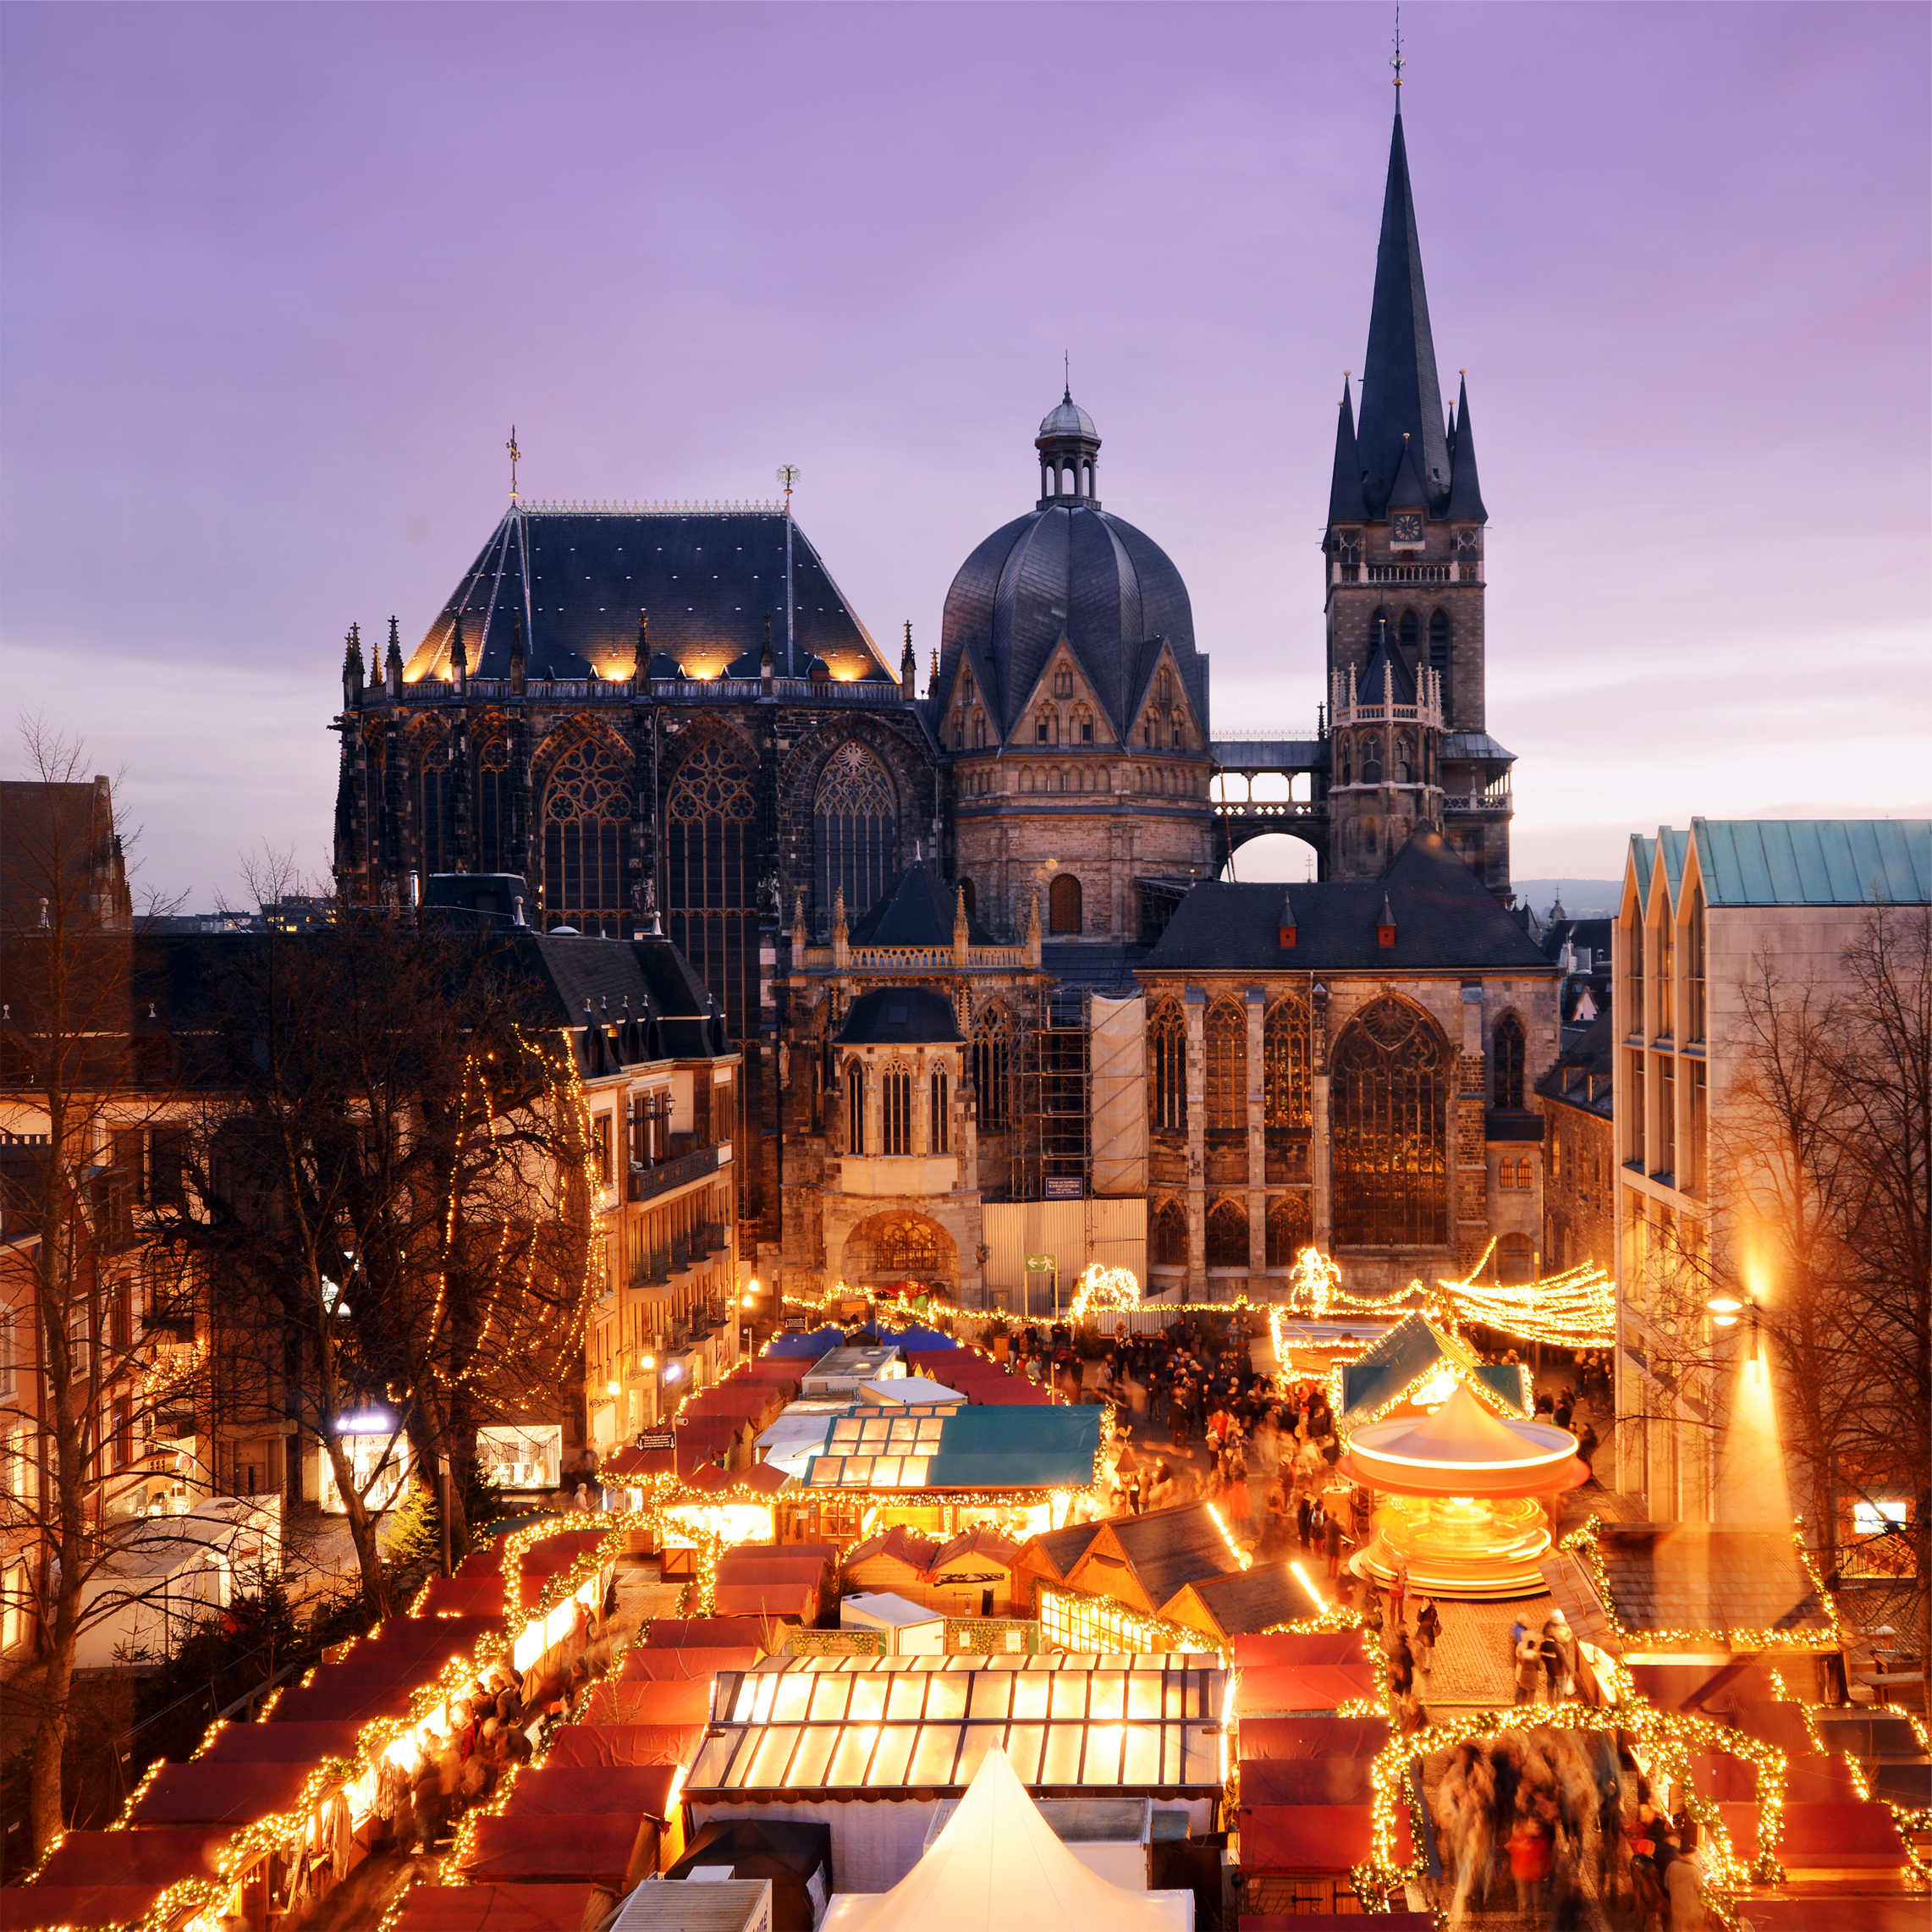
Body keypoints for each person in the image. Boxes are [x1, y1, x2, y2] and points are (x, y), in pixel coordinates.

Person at [1514, 1629, 1544, 1704]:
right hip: (1532, 1677)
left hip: (1523, 1675)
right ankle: (1530, 1707)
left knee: (1523, 1691)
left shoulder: (1521, 1651)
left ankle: (1521, 1705)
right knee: (1532, 1693)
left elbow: (1518, 1660)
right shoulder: (1536, 1656)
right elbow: (1540, 1668)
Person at [1412, 1598, 1439, 1676]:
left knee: (1428, 1650)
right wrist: (1422, 1612)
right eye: (1425, 1602)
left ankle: (1428, 1666)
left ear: (1430, 1603)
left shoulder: (1433, 1611)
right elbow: (1418, 1619)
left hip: (1429, 1634)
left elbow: (1431, 1623)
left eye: (1427, 1602)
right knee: (1418, 1648)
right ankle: (1418, 1664)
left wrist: (1422, 1623)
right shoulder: (1422, 1609)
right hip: (1421, 1633)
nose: (1426, 1603)